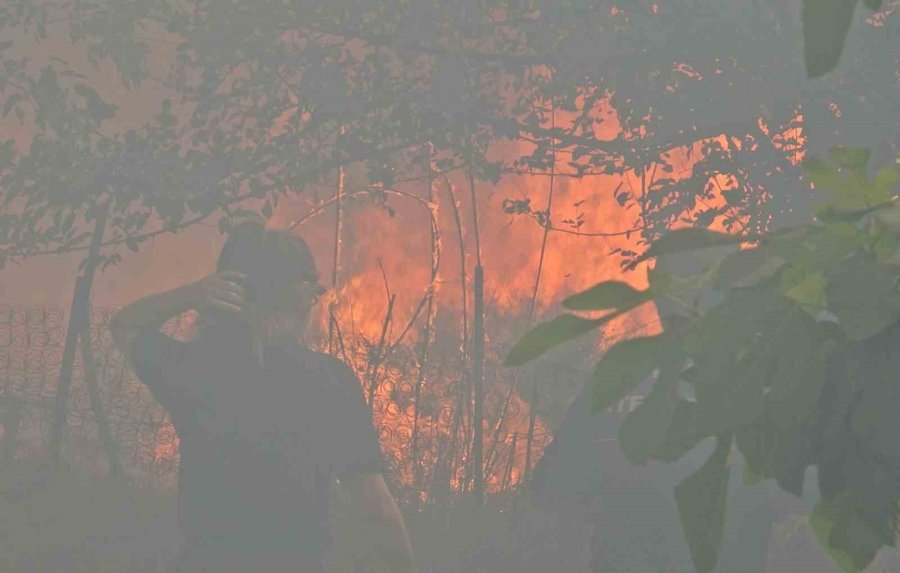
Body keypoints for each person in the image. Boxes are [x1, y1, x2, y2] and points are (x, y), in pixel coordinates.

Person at [111, 218, 417, 573]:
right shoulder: (330, 382)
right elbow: (374, 507)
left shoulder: (193, 370)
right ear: (295, 297)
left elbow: (126, 324)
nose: (318, 296)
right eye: (312, 286)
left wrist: (192, 294)